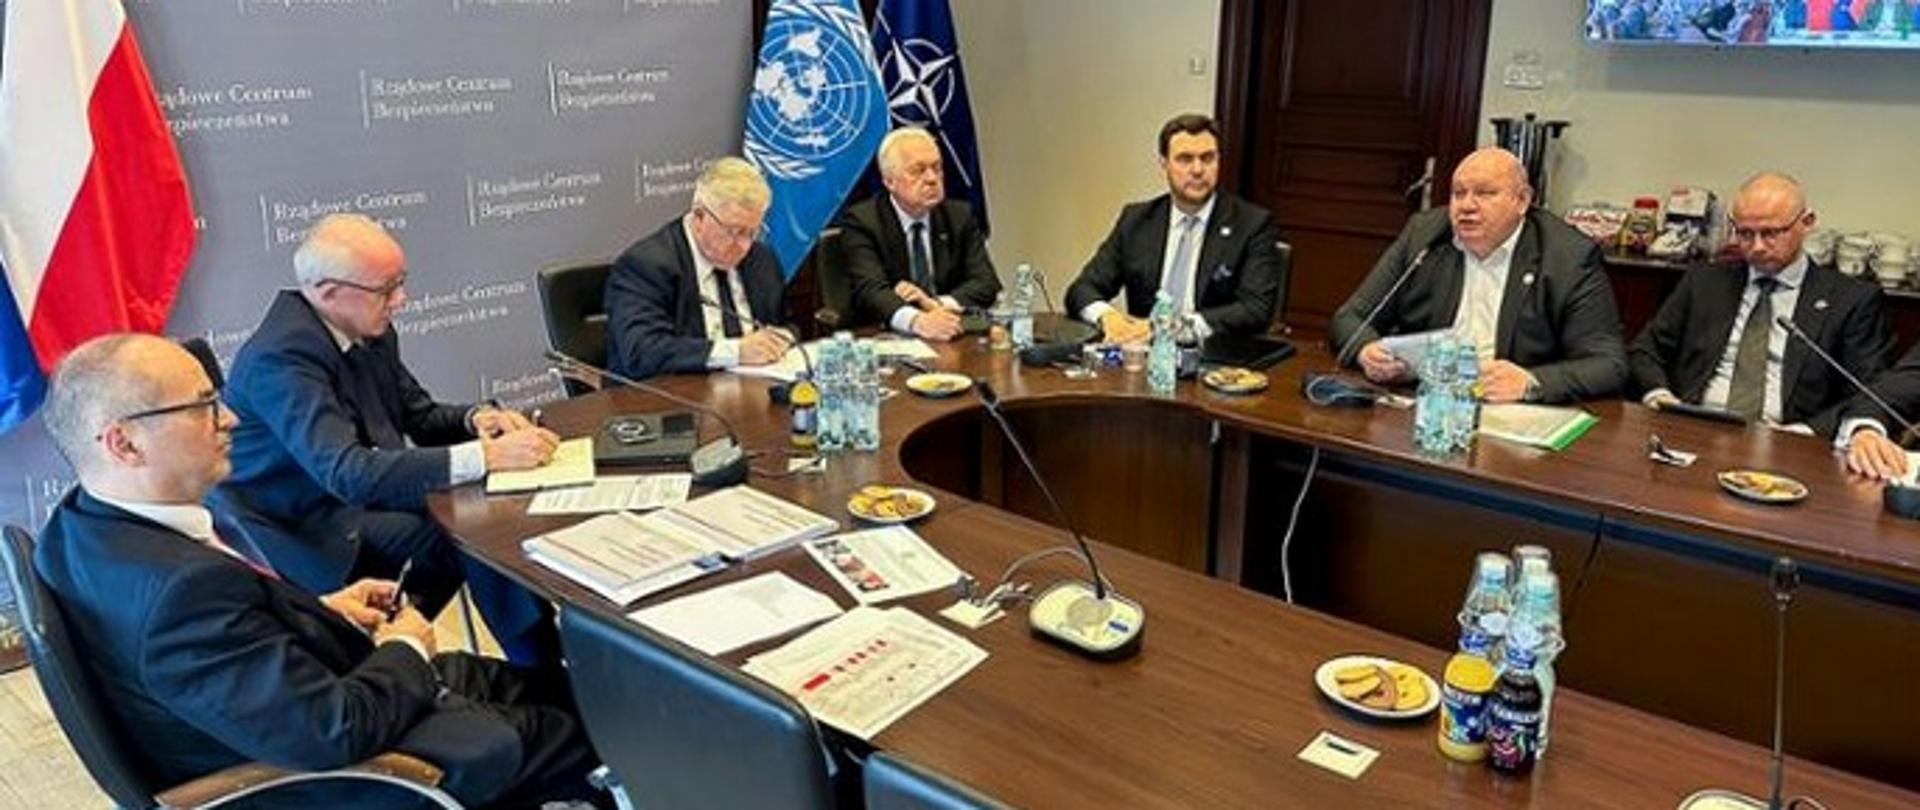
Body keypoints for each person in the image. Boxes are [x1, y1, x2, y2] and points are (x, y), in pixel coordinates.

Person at [34, 334, 606, 808]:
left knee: (573, 691)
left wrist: (321, 610)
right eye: (203, 406)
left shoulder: (77, 526)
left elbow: (222, 654)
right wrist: (408, 645)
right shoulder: (179, 595)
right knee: (607, 728)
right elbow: (333, 733)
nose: (230, 418)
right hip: (357, 772)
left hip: (321, 688)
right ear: (124, 444)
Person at [222, 213, 561, 665]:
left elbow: (418, 415)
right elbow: (347, 473)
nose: (401, 300)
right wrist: (486, 456)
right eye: (386, 289)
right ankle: (394, 654)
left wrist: (478, 420)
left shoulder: (366, 326)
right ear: (329, 291)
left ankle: (542, 659)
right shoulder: (281, 359)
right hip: (307, 523)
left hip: (353, 498)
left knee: (478, 515)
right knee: (462, 528)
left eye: (400, 283)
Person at [1329, 147, 1628, 404]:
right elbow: (1350, 318)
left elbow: (1608, 364)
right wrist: (1366, 351)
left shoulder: (1567, 255)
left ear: (1522, 201)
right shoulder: (1425, 235)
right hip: (1427, 402)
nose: (1467, 206)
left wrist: (1530, 382)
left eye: (1485, 193)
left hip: (1514, 412)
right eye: (1459, 193)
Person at [1629, 172, 1893, 435]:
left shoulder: (1850, 300)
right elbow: (1646, 351)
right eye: (1745, 233)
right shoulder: (1705, 282)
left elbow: (1868, 392)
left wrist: (1804, 432)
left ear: (1807, 222)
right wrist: (1660, 395)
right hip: (1695, 428)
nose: (1757, 247)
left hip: (1789, 440)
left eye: (1770, 233)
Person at [1065, 113, 1284, 344]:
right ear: (1164, 163)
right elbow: (1082, 289)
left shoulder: (1252, 224)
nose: (1198, 169)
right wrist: (1108, 318)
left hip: (1213, 356)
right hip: (1143, 353)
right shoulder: (1137, 220)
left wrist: (1171, 328)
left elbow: (1256, 309)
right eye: (1185, 159)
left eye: (1207, 158)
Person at [606, 157, 793, 379]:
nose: (743, 246)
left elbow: (786, 324)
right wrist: (736, 352)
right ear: (699, 216)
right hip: (671, 393)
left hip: (751, 387)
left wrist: (780, 340)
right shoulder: (646, 265)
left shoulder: (761, 259)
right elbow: (642, 353)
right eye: (734, 231)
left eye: (752, 232)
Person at [838, 127, 1001, 340]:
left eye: (937, 168)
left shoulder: (959, 216)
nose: (932, 178)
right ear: (889, 181)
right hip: (885, 338)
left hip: (949, 333)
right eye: (918, 171)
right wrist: (918, 320)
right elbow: (870, 290)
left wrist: (935, 304)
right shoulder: (863, 222)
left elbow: (986, 283)